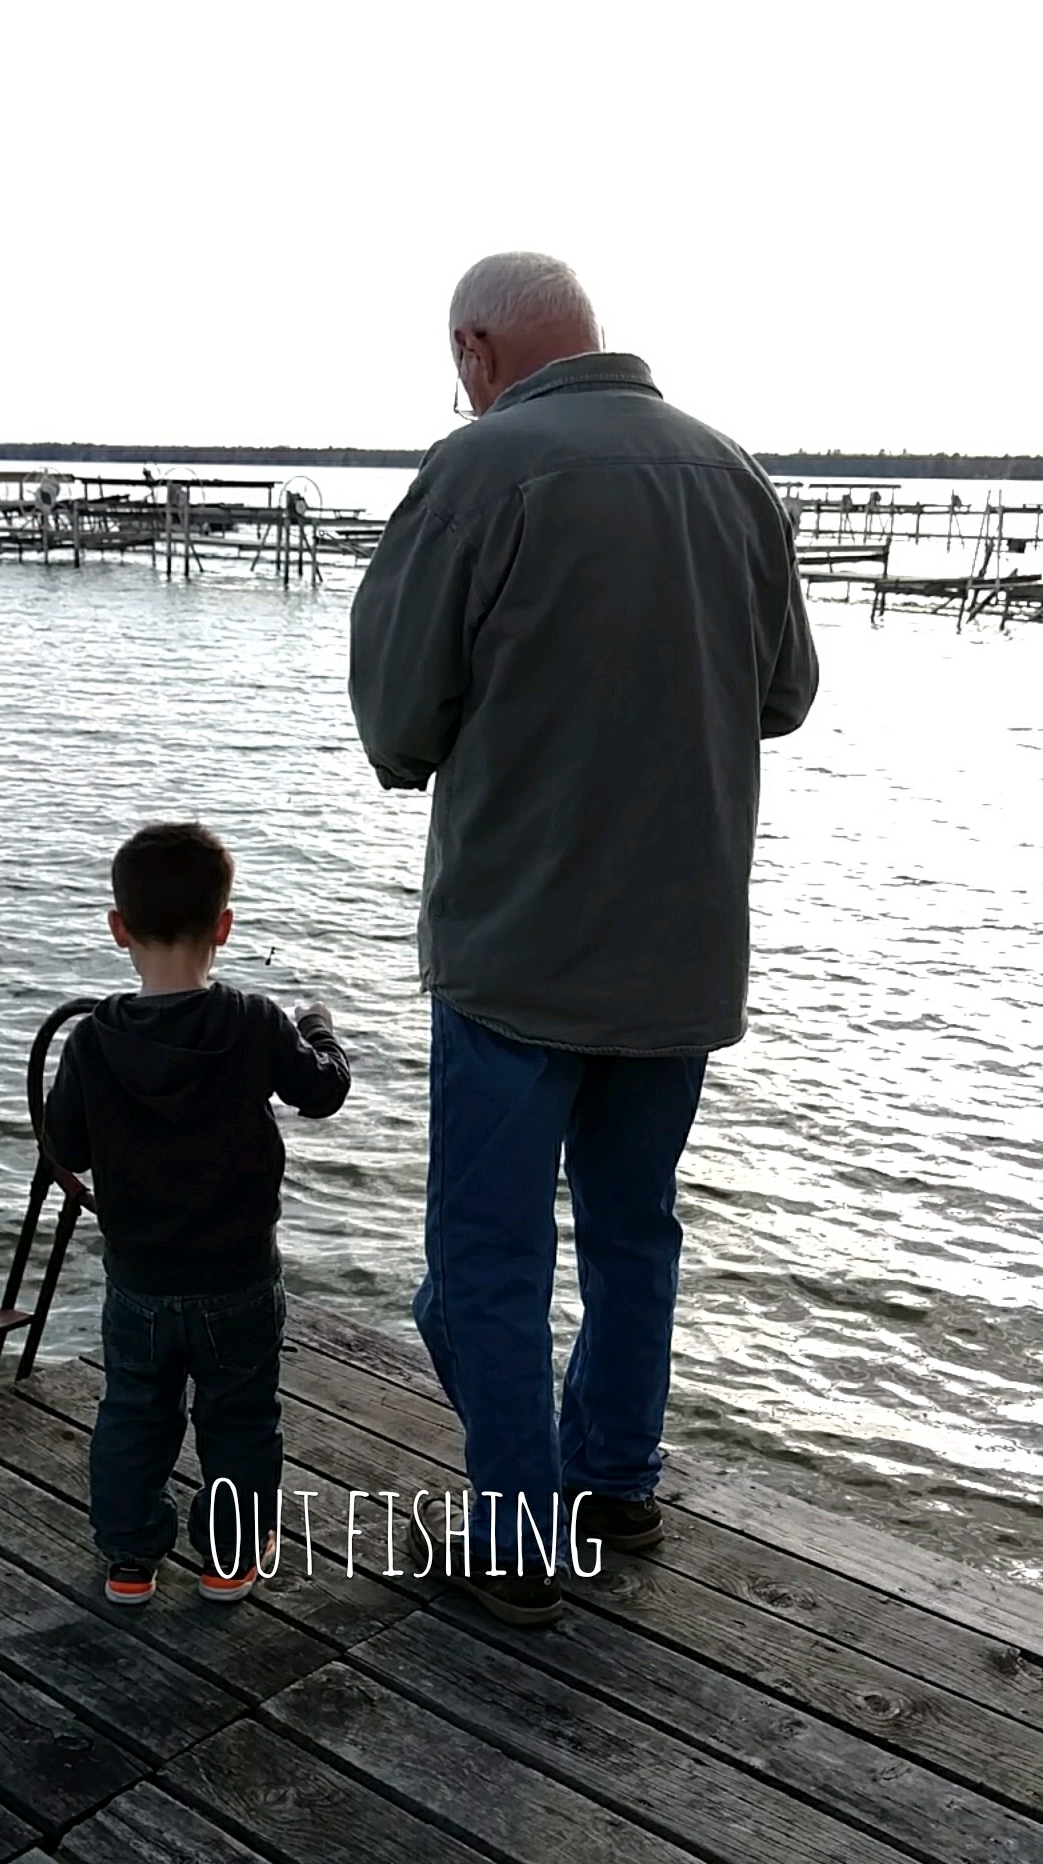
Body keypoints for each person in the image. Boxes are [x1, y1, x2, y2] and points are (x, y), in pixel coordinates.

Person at [349, 251, 818, 1626]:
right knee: (632, 1232)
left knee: (486, 1265)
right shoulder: (731, 473)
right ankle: (615, 1481)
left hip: (520, 951)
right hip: (681, 954)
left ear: (478, 346)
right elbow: (782, 694)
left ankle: (513, 1540)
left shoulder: (477, 471)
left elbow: (395, 723)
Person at [42, 822, 351, 1606]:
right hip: (239, 1276)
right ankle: (229, 1561)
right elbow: (322, 1090)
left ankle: (130, 1562)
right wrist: (318, 1026)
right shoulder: (251, 1019)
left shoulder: (93, 1040)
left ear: (118, 930)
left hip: (139, 1281)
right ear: (224, 927)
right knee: (241, 1418)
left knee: (133, 1417)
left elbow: (65, 1147)